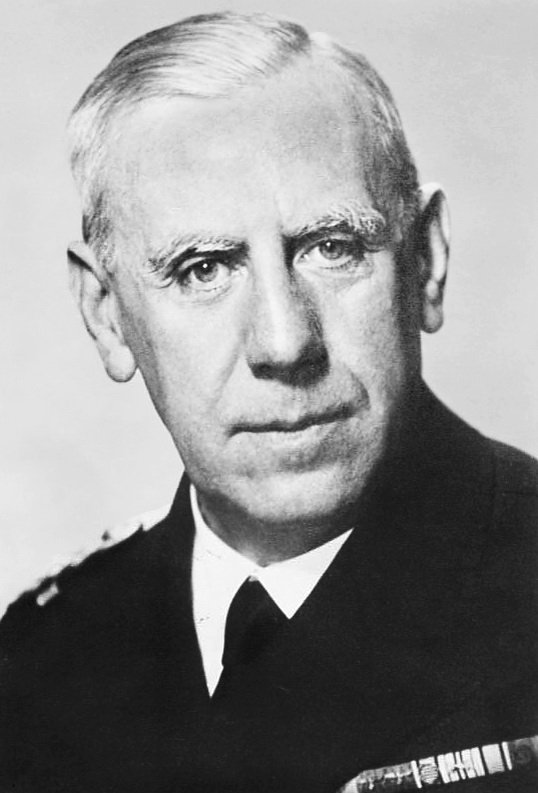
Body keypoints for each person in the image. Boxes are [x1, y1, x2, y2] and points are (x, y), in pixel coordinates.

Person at [1, 11, 537, 793]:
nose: (285, 344)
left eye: (332, 248)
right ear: (107, 315)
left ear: (425, 260)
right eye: (203, 269)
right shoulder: (38, 662)